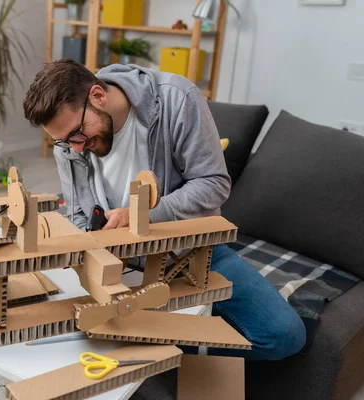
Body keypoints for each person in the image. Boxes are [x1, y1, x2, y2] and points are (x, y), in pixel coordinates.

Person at [22, 59, 306, 361]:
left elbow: (213, 184)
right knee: (57, 328)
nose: (75, 149)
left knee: (284, 335)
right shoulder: (70, 144)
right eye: (64, 142)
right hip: (115, 261)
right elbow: (79, 215)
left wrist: (144, 216)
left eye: (77, 135)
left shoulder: (176, 99)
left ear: (97, 96)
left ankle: (151, 340)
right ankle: (147, 338)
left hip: (189, 253)